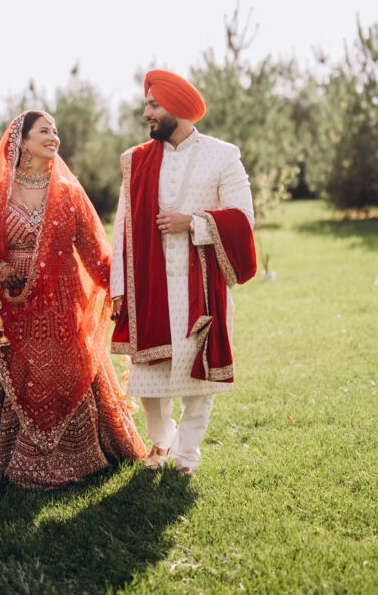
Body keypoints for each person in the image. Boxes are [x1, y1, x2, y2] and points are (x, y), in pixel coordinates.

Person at [0, 110, 146, 489]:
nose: (54, 137)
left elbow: (95, 254)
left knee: (65, 375)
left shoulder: (69, 194)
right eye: (44, 131)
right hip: (5, 306)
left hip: (59, 307)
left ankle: (73, 458)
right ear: (22, 142)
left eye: (56, 131)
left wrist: (124, 285)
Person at [110, 70, 258, 476]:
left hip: (202, 286)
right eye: (146, 105)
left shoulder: (222, 155)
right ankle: (162, 438)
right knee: (149, 373)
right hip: (148, 285)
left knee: (199, 375)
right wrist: (119, 286)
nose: (146, 113)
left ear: (177, 107)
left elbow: (243, 218)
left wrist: (192, 222)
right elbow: (123, 226)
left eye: (154, 105)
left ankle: (187, 455)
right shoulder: (135, 160)